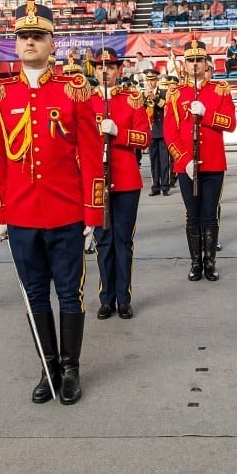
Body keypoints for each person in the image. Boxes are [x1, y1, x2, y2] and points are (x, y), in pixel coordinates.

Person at [0, 0, 104, 405]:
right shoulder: (0, 95)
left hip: (67, 211)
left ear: (53, 44)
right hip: (20, 214)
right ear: (15, 45)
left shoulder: (75, 91)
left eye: (38, 36)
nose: (30, 43)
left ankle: (70, 368)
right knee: (35, 294)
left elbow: (91, 156)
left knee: (69, 293)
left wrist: (93, 212)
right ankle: (47, 366)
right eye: (24, 37)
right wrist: (0, 211)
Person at [164, 40, 236, 282]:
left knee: (210, 214)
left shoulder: (220, 90)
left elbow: (230, 123)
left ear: (207, 64)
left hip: (213, 163)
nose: (195, 65)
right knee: (191, 214)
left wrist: (207, 115)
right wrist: (184, 159)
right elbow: (169, 132)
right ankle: (195, 262)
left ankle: (210, 261)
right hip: (186, 166)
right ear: (184, 65)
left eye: (199, 60)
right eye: (190, 61)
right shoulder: (175, 93)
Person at [89, 48, 150, 319]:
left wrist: (119, 132)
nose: (105, 71)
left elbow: (144, 138)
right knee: (103, 242)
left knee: (123, 242)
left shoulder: (132, 100)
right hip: (97, 181)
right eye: (100, 67)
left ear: (119, 70)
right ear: (93, 70)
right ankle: (106, 297)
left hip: (125, 180)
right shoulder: (85, 102)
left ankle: (123, 298)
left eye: (111, 67)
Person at [144, 70, 171, 196]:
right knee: (153, 160)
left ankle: (165, 186)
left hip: (162, 130)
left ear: (157, 81)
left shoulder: (164, 92)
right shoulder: (142, 94)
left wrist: (155, 98)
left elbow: (165, 106)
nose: (151, 82)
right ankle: (155, 186)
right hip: (151, 130)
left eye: (153, 80)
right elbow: (140, 110)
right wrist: (145, 98)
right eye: (148, 80)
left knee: (164, 160)